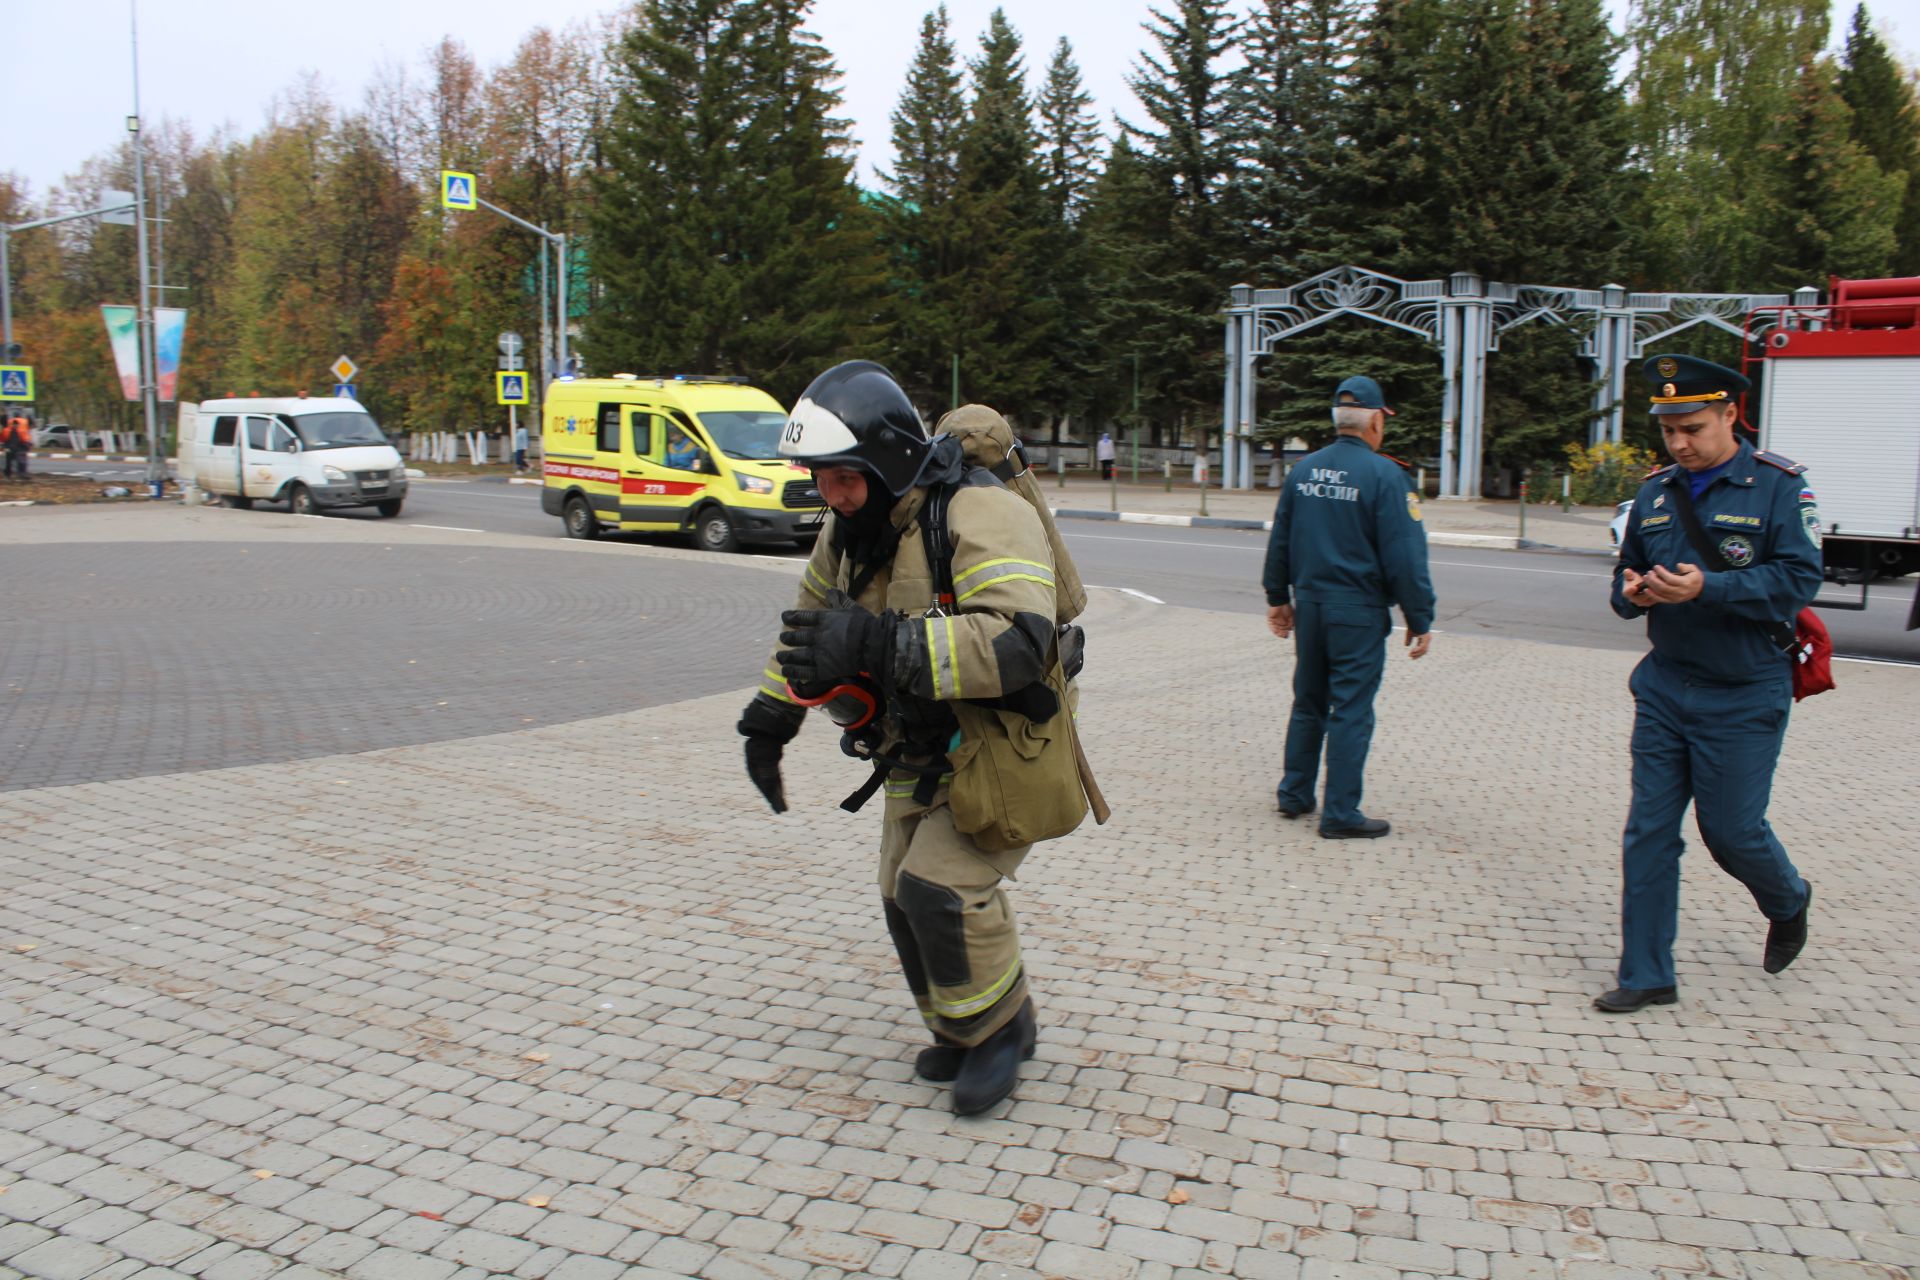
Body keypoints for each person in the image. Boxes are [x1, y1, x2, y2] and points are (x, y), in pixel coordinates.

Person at [736, 360, 1082, 1116]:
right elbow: (809, 627)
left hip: (1004, 740)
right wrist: (770, 720)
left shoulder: (980, 515)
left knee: (940, 888)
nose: (830, 494)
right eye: (821, 477)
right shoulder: (852, 529)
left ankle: (996, 1036)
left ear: (885, 460)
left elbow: (1020, 640)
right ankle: (977, 1022)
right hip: (917, 741)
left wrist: (879, 647)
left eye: (844, 477)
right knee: (899, 895)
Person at [1596, 353, 1820, 1014]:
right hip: (1666, 687)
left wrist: (1708, 586)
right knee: (1648, 832)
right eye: (1669, 431)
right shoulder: (1655, 493)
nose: (1680, 443)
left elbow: (1798, 580)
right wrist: (1634, 594)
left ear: (1730, 414)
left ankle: (1787, 898)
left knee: (1732, 832)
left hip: (1744, 689)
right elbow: (1623, 579)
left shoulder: (1780, 487)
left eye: (1693, 427)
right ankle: (1646, 975)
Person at [1262, 375, 1435, 838]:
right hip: (1356, 611)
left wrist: (1278, 598)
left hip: (1312, 607)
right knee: (1352, 709)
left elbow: (1281, 539)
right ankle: (1340, 813)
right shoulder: (1387, 477)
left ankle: (1294, 795)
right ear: (1376, 421)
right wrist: (1420, 618)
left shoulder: (1304, 471)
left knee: (1308, 702)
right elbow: (1405, 556)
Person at [2, 409, 30, 480]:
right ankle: (20, 473)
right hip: (17, 446)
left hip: (13, 447)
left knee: (10, 462)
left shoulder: (9, 424)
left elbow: (3, 438)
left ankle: (11, 474)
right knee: (20, 461)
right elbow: (25, 436)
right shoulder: (24, 422)